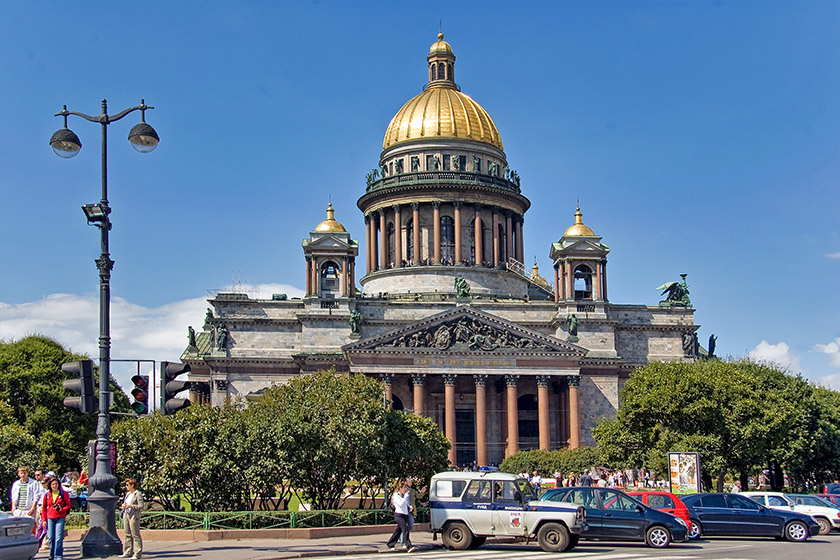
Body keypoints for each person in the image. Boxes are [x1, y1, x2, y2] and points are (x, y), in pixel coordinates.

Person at [43, 476, 70, 560]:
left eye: (56, 484)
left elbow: (68, 505)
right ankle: (52, 553)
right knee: (51, 537)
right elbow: (44, 508)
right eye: (53, 484)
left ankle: (58, 555)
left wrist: (62, 509)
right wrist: (44, 520)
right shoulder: (47, 495)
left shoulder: (63, 494)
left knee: (59, 537)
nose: (55, 486)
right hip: (50, 517)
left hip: (60, 517)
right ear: (50, 485)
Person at [385, 480, 416, 552]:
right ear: (400, 488)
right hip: (399, 515)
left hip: (404, 514)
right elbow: (400, 504)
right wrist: (405, 496)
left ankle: (390, 543)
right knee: (405, 529)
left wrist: (409, 507)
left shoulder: (403, 495)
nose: (405, 489)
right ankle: (409, 546)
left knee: (398, 531)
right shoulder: (396, 495)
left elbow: (405, 504)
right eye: (404, 488)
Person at [120, 478, 145, 560]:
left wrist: (132, 506)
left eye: (127, 485)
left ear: (132, 485)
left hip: (134, 515)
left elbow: (141, 506)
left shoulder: (137, 494)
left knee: (135, 534)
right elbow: (125, 503)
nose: (126, 486)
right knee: (127, 533)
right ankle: (127, 552)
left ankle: (137, 553)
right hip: (126, 514)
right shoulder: (128, 494)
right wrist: (123, 506)